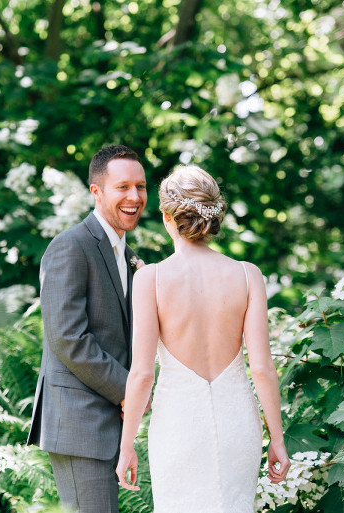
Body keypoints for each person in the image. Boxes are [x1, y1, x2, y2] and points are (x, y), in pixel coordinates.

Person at [115, 165, 290, 512]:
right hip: (237, 422)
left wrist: (126, 445)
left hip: (177, 427)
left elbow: (142, 374)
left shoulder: (150, 279)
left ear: (167, 217)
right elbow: (263, 368)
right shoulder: (247, 275)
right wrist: (277, 440)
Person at [27, 145, 147, 513]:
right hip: (79, 422)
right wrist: (127, 391)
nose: (135, 197)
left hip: (107, 422)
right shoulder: (70, 246)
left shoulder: (127, 254)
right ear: (96, 192)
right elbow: (67, 338)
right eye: (122, 187)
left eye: (141, 187)